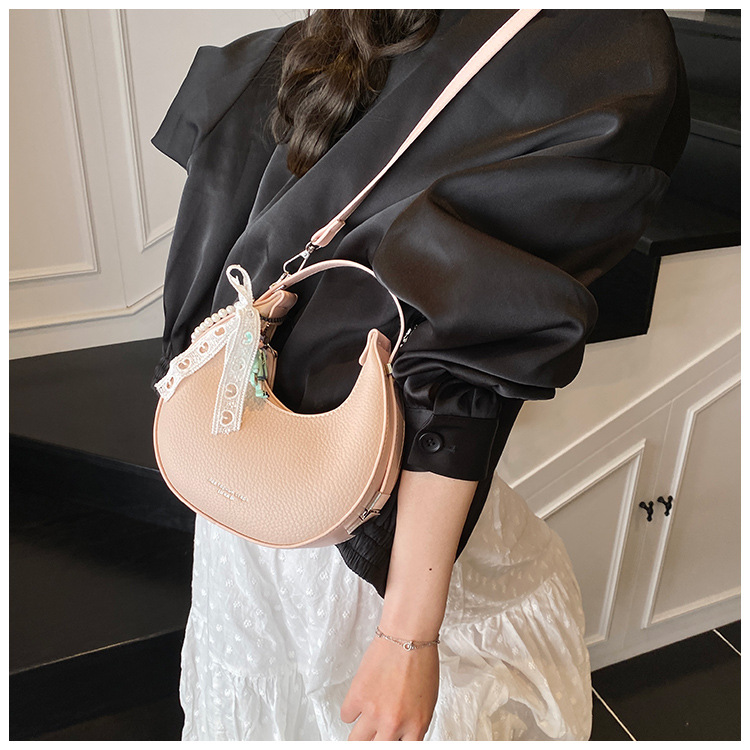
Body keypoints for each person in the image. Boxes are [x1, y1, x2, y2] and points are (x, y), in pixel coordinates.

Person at [151, 10, 689, 741]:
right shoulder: (600, 42)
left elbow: (230, 198)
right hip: (369, 506)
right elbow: (469, 355)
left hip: (241, 456)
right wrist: (408, 635)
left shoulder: (365, 20)